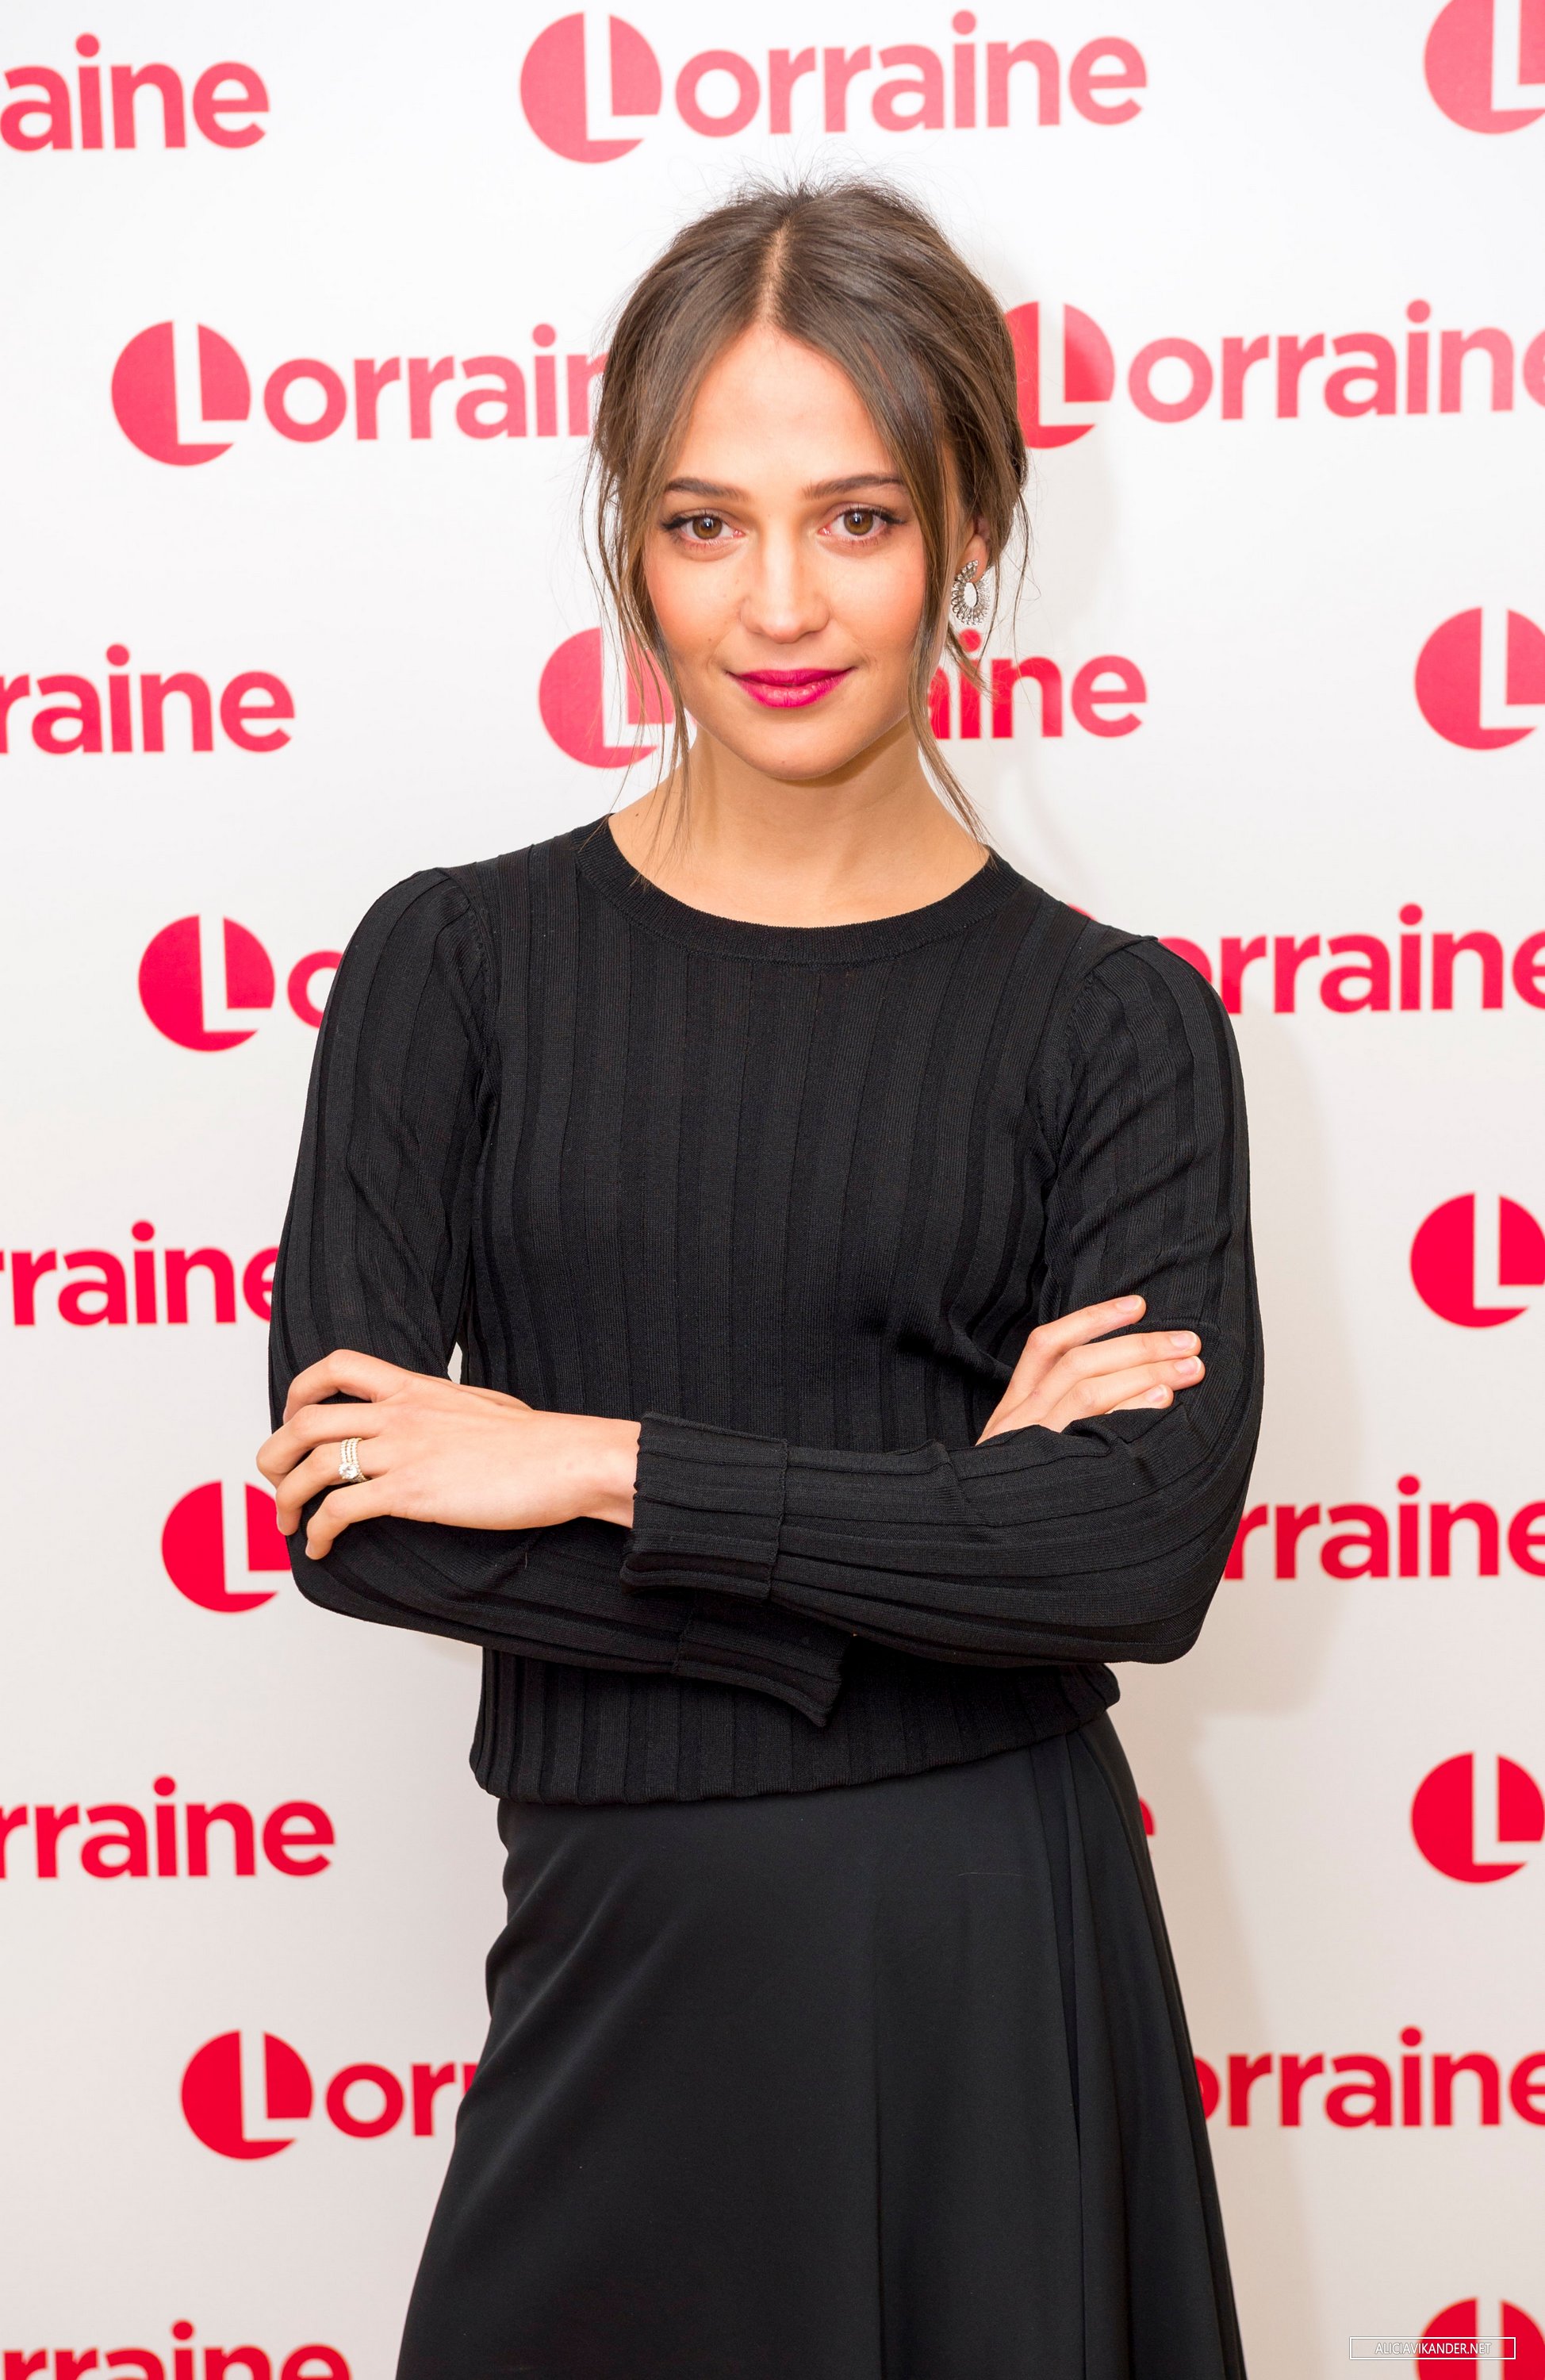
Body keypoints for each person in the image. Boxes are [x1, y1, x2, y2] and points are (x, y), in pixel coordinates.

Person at [259, 175, 1262, 2380]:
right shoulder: (457, 965)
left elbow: (1131, 1553)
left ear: (971, 528)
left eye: (859, 519)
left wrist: (596, 1462)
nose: (780, 602)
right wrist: (939, 1536)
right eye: (706, 523)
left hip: (990, 1940)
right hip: (612, 1934)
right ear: (628, 543)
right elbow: (357, 1511)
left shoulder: (1115, 1024)